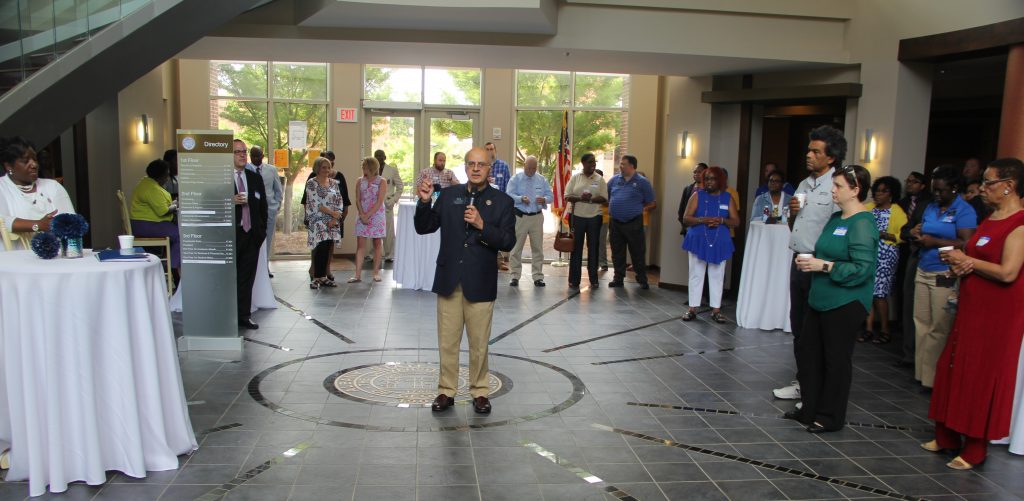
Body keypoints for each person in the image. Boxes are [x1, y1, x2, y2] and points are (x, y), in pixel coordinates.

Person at [925, 157, 1024, 470]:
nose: (983, 188)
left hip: (997, 315)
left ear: (1009, 186)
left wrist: (969, 262)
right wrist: (961, 263)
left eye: (989, 182)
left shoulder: (1019, 225)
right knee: (953, 366)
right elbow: (977, 256)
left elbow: (1009, 272)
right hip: (971, 306)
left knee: (981, 377)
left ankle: (975, 448)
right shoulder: (990, 219)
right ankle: (947, 435)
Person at [414, 147, 516, 415]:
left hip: (480, 282)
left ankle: (480, 391)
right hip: (449, 279)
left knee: (479, 342)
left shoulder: (502, 202)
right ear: (465, 166)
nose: (476, 168)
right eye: (471, 163)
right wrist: (424, 202)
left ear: (489, 168)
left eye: (481, 164)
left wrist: (483, 227)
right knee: (447, 341)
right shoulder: (448, 196)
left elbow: (507, 241)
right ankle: (446, 391)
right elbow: (424, 227)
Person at [787, 164, 878, 433]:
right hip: (821, 297)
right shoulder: (836, 218)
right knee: (809, 353)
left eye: (838, 186)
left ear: (856, 190)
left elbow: (862, 269)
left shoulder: (862, 224)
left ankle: (829, 416)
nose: (833, 190)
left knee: (835, 359)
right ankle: (810, 408)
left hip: (845, 302)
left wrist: (823, 266)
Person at [773, 125, 845, 402]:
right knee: (799, 326)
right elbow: (797, 225)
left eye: (816, 151)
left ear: (831, 157)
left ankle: (818, 387)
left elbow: (840, 227)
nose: (809, 155)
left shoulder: (837, 186)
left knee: (818, 329)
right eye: (809, 149)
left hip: (821, 263)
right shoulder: (804, 184)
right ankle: (803, 380)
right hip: (798, 259)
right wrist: (792, 214)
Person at [910, 164, 976, 389]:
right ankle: (920, 373)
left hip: (944, 272)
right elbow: (923, 228)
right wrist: (916, 233)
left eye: (941, 191)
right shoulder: (930, 207)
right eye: (934, 190)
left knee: (939, 326)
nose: (937, 194)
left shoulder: (964, 210)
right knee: (921, 323)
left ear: (955, 189)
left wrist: (935, 242)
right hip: (924, 267)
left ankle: (932, 379)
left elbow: (967, 243)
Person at [681, 166, 739, 323]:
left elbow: (736, 221)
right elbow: (686, 218)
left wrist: (721, 220)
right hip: (698, 240)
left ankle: (716, 310)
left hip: (719, 241)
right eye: (706, 178)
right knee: (696, 274)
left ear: (720, 180)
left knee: (717, 276)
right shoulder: (696, 196)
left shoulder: (728, 198)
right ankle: (692, 309)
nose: (709, 182)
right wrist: (702, 220)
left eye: (713, 179)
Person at [0, 136, 74, 242]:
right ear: (8, 166)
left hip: (56, 256)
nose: (34, 165)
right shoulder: (2, 187)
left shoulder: (52, 186)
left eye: (34, 159)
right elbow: (1, 221)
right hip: (13, 257)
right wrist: (38, 225)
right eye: (26, 161)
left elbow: (71, 222)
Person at [861, 176, 907, 344]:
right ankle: (868, 328)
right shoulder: (868, 208)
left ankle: (885, 329)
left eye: (883, 191)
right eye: (877, 191)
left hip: (886, 255)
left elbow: (904, 235)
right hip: (868, 254)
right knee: (867, 291)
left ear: (891, 194)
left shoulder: (897, 211)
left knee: (880, 294)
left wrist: (884, 234)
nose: (879, 194)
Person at [895, 171, 933, 368]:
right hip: (914, 256)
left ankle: (924, 359)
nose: (909, 184)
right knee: (910, 307)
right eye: (907, 181)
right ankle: (909, 353)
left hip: (936, 264)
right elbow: (904, 230)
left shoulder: (959, 210)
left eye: (914, 181)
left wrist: (932, 240)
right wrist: (911, 231)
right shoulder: (925, 207)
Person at [232, 139, 268, 330]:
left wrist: (260, 233)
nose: (242, 155)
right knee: (229, 278)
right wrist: (230, 202)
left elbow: (263, 208)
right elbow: (210, 204)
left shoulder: (254, 178)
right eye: (237, 151)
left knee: (247, 278)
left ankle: (243, 315)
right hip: (231, 236)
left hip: (251, 235)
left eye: (244, 151)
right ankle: (227, 315)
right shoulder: (221, 178)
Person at [608, 155, 656, 289]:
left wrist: (639, 209)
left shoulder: (642, 182)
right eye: (620, 164)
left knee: (637, 252)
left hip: (633, 222)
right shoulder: (614, 180)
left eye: (623, 164)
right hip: (615, 222)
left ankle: (642, 279)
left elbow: (652, 202)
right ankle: (618, 278)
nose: (620, 166)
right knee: (617, 252)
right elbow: (607, 196)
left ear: (632, 166)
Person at [302, 151, 351, 283]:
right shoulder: (311, 183)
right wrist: (332, 213)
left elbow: (339, 201)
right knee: (320, 248)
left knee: (328, 247)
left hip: (332, 221)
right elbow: (315, 203)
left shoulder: (334, 183)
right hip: (317, 220)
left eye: (328, 167)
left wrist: (335, 218)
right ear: (317, 168)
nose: (327, 170)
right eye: (324, 167)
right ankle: (317, 276)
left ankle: (323, 276)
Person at [506, 155, 552, 287]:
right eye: (528, 167)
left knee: (537, 248)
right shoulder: (516, 179)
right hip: (520, 217)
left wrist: (544, 199)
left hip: (536, 217)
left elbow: (550, 196)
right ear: (524, 165)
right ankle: (515, 276)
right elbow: (509, 194)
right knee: (516, 247)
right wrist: (520, 199)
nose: (531, 170)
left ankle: (538, 276)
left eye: (533, 168)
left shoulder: (542, 180)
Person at [129, 159, 180, 277]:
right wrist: (176, 205)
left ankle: (172, 262)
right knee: (180, 234)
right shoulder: (152, 189)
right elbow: (163, 211)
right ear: (160, 176)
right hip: (148, 225)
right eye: (167, 175)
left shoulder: (145, 183)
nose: (167, 178)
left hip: (143, 223)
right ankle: (174, 267)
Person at [565, 153, 608, 289]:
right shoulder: (575, 178)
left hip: (594, 217)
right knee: (576, 249)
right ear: (583, 163)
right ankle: (574, 280)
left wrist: (590, 199)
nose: (593, 164)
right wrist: (580, 197)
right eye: (590, 162)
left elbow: (604, 198)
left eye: (594, 162)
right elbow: (567, 196)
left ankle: (593, 279)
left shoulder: (599, 179)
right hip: (577, 217)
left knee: (593, 248)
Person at [246, 146, 283, 276]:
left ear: (263, 156)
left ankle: (265, 268)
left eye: (258, 155)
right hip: (250, 211)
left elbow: (278, 189)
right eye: (252, 155)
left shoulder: (271, 170)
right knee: (252, 240)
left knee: (267, 239)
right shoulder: (245, 169)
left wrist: (276, 205)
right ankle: (253, 268)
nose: (255, 158)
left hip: (269, 210)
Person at [351, 157, 387, 283]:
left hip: (376, 215)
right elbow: (357, 199)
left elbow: (380, 201)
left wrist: (368, 215)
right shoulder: (359, 181)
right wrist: (362, 214)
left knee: (377, 244)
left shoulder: (381, 181)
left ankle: (376, 273)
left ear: (372, 168)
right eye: (363, 167)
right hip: (362, 215)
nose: (363, 169)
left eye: (365, 167)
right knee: (360, 245)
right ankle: (357, 275)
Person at [374, 149, 404, 263]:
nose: (378, 158)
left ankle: (389, 254)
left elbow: (400, 187)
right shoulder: (371, 170)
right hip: (374, 204)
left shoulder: (392, 170)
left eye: (380, 156)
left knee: (389, 230)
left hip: (387, 203)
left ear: (385, 157)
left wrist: (394, 199)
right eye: (376, 156)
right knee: (374, 229)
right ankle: (373, 255)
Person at [485, 142, 511, 271]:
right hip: (485, 206)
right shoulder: (482, 165)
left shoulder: (503, 166)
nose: (490, 152)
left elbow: (508, 186)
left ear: (495, 150)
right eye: (487, 149)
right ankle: (489, 260)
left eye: (491, 149)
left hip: (499, 205)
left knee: (499, 233)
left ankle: (500, 261)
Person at [678, 163, 707, 235]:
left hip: (705, 229)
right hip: (688, 229)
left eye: (699, 172)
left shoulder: (709, 190)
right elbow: (681, 209)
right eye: (695, 172)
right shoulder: (688, 189)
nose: (696, 174)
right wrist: (684, 225)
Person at [595, 168, 610, 271]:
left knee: (601, 241)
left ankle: (603, 263)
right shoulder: (590, 187)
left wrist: (599, 199)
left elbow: (609, 203)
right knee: (592, 242)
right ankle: (593, 262)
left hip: (603, 218)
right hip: (591, 217)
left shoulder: (606, 188)